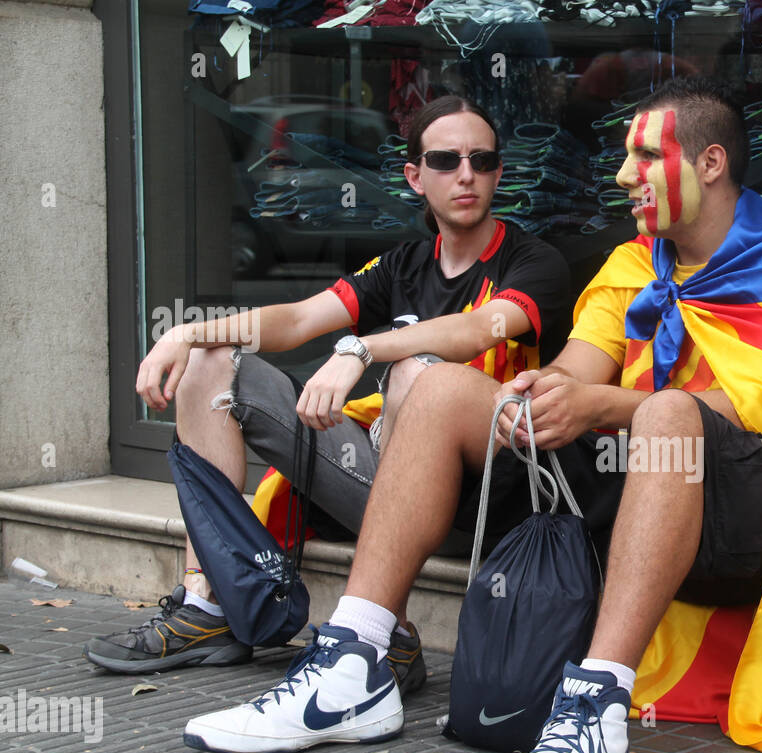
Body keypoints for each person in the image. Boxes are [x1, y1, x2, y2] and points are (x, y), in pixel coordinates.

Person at [181, 77, 762, 753]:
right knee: (441, 390)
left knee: (668, 412)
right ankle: (357, 661)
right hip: (625, 495)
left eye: (642, 157)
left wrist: (603, 407)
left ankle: (596, 710)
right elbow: (581, 365)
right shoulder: (635, 264)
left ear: (709, 164)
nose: (622, 176)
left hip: (743, 521)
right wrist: (545, 392)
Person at [84, 96, 570, 698]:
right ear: (416, 177)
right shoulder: (402, 265)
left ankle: (382, 628)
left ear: (498, 171)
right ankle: (207, 606)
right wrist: (188, 332)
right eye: (445, 160)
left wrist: (362, 351)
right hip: (385, 481)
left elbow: (477, 330)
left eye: (482, 159)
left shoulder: (535, 262)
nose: (466, 174)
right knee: (212, 364)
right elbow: (297, 320)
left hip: (479, 501)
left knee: (419, 373)